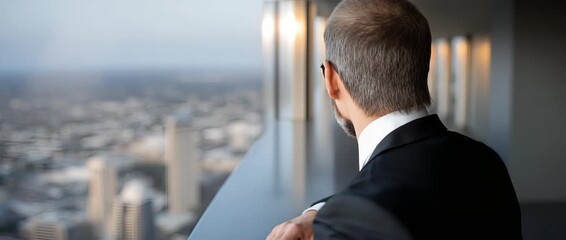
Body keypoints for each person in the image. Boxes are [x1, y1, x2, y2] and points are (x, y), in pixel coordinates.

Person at [266, 0, 522, 239]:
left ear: (331, 80)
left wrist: (327, 218)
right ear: (422, 67)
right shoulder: (486, 161)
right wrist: (319, 212)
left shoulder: (348, 225)